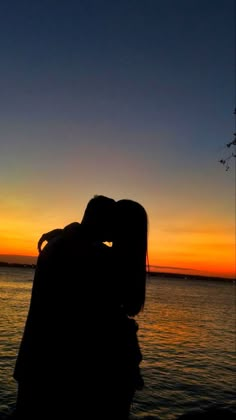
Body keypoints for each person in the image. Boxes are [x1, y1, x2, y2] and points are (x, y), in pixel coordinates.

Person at [12, 196, 148, 420]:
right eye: (111, 223)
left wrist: (69, 231)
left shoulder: (81, 251)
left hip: (44, 364)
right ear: (104, 222)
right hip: (54, 368)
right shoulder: (91, 255)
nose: (112, 233)